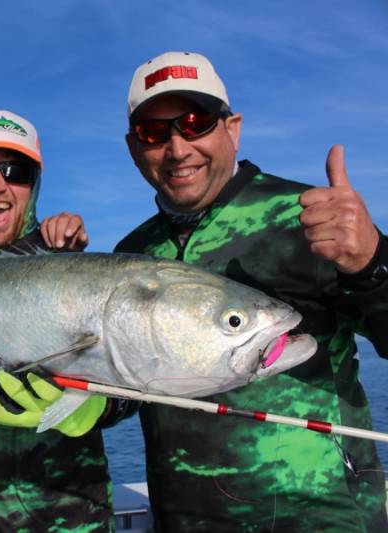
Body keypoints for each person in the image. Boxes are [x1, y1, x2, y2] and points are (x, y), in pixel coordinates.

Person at [114, 51, 388, 531]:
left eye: (195, 123)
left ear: (232, 128)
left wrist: (372, 261)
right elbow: (129, 384)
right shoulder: (132, 254)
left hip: (325, 519)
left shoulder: (307, 217)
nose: (178, 149)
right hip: (184, 519)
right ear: (134, 148)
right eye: (154, 133)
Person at [0, 109, 125, 532]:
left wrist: (98, 406)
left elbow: (136, 381)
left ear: (34, 185)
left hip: (71, 522)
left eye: (15, 171)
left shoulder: (70, 269)